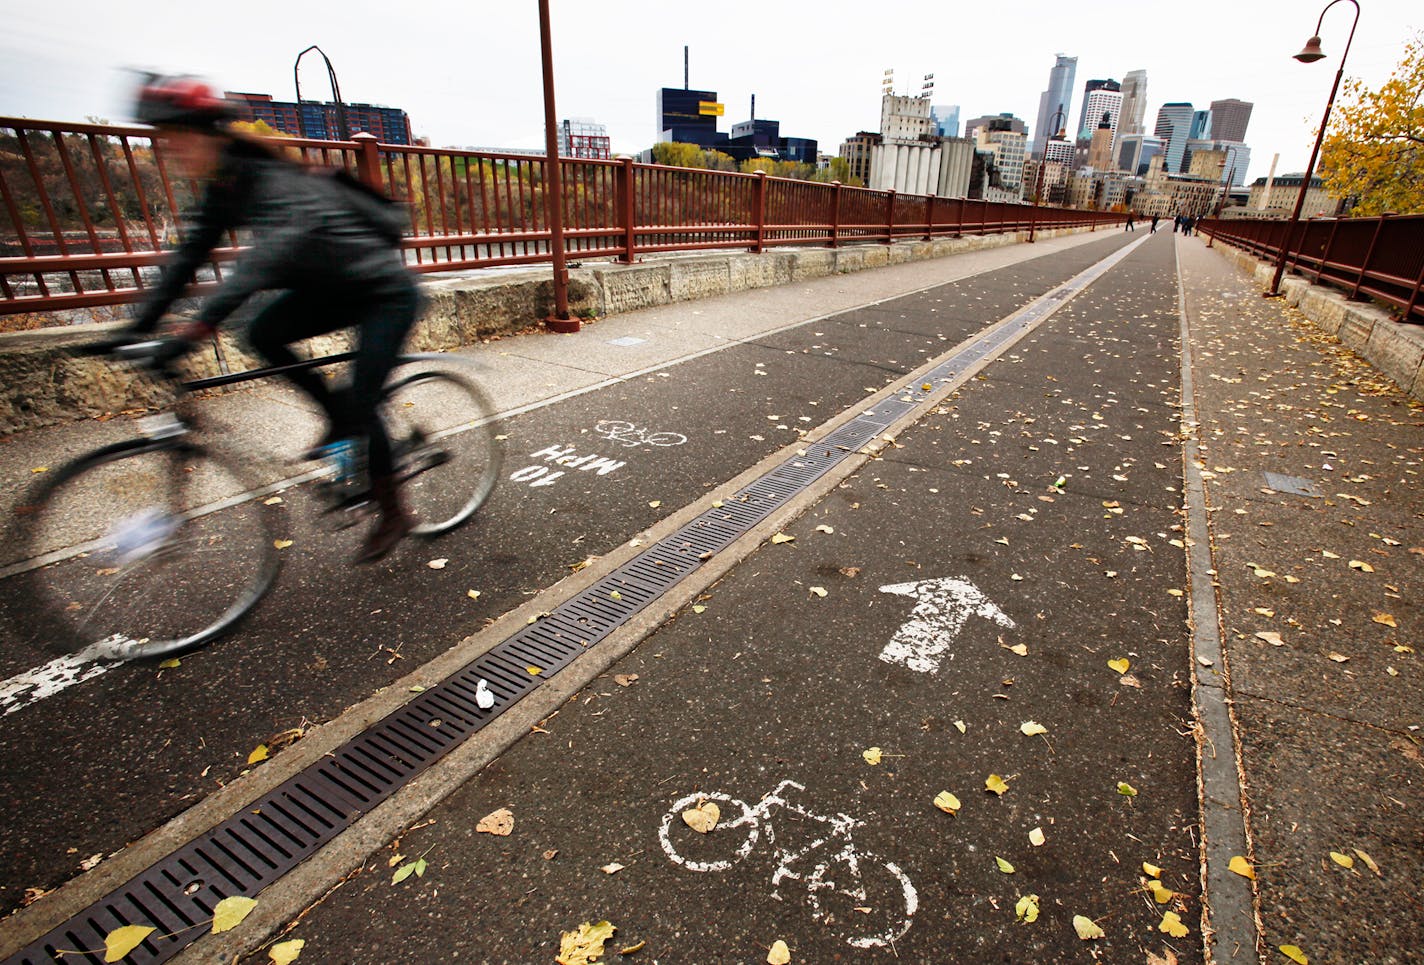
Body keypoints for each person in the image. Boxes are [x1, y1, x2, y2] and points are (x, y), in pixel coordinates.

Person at [126, 75, 420, 562]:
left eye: (178, 139)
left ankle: (395, 512)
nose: (170, 152)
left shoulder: (276, 183)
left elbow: (259, 263)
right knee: (261, 332)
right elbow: (188, 256)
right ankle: (339, 419)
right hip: (332, 291)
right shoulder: (226, 185)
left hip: (384, 294)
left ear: (211, 135)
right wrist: (135, 327)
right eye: (164, 142)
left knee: (364, 399)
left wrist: (197, 327)